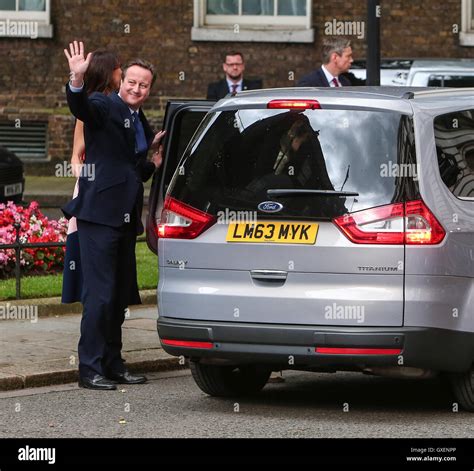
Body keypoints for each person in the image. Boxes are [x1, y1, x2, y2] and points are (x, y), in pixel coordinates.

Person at [63, 41, 165, 390]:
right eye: (131, 82)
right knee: (100, 294)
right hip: (98, 216)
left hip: (125, 217)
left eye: (144, 85)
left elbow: (131, 169)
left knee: (119, 295)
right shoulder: (103, 105)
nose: (136, 89)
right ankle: (89, 369)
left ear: (149, 89)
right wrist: (76, 81)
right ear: (120, 82)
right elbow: (82, 107)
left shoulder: (139, 120)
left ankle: (113, 363)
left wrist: (152, 160)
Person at [61, 48, 129, 305]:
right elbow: (76, 159)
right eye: (119, 67)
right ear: (108, 72)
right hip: (94, 194)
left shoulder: (122, 105)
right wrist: (91, 179)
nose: (121, 72)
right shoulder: (94, 105)